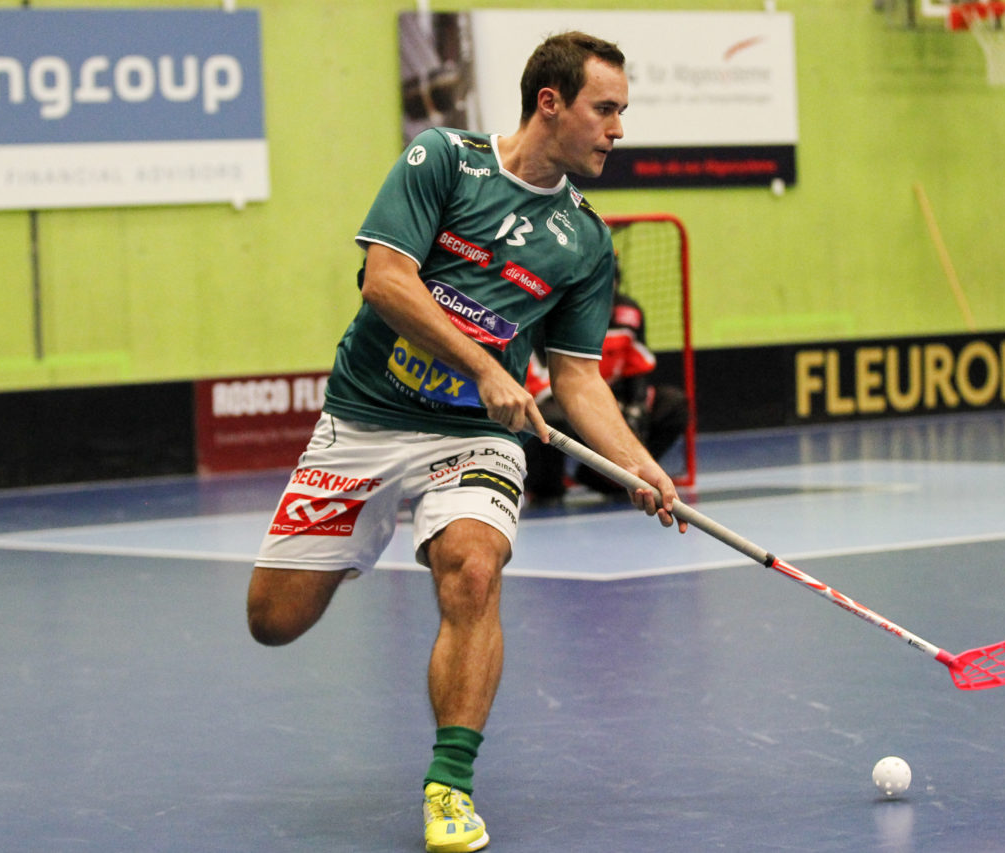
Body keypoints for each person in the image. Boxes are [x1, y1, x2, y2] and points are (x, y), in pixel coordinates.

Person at [244, 32, 686, 853]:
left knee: (476, 570)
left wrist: (638, 462)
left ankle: (449, 786)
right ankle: (356, 540)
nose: (619, 128)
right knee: (272, 620)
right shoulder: (444, 160)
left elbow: (579, 379)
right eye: (606, 109)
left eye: (623, 111)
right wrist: (487, 364)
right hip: (368, 416)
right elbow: (386, 280)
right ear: (550, 102)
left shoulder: (585, 240)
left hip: (475, 438)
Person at [523, 268, 690, 502]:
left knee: (672, 404)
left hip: (612, 397)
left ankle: (607, 478)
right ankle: (545, 487)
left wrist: (634, 407)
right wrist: (583, 406)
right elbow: (541, 375)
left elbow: (636, 364)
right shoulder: (548, 314)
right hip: (561, 399)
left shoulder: (629, 314)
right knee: (546, 418)